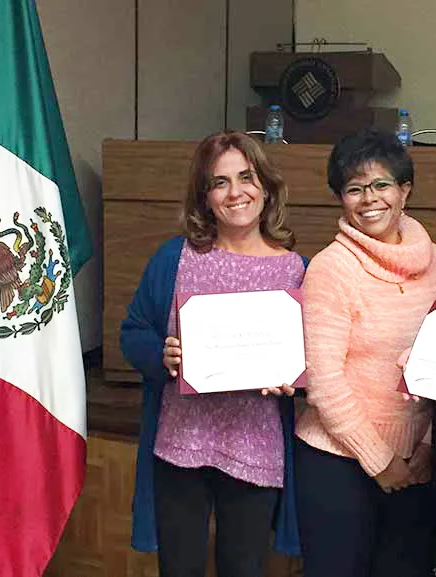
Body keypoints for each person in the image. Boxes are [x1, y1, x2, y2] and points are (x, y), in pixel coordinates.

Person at [119, 130, 305, 577]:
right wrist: (160, 356)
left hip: (256, 449)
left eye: (247, 177)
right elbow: (132, 332)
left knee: (244, 569)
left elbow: (311, 359)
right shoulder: (175, 258)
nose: (236, 192)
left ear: (266, 186)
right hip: (180, 447)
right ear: (204, 197)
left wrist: (294, 381)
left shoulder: (295, 269)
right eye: (220, 182)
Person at [294, 128, 436, 577]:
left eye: (381, 184)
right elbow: (323, 383)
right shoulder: (331, 268)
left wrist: (423, 446)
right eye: (354, 189)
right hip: (337, 461)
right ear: (341, 198)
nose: (370, 199)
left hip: (417, 462)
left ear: (405, 190)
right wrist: (381, 460)